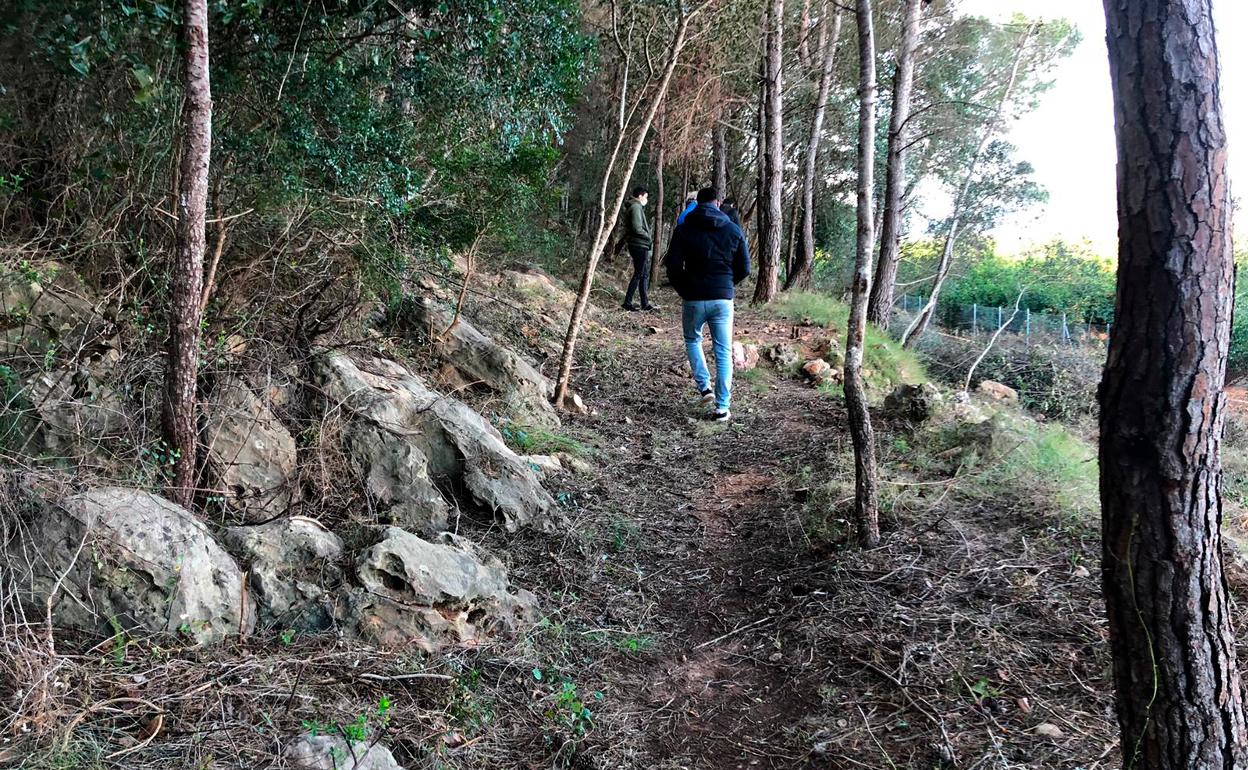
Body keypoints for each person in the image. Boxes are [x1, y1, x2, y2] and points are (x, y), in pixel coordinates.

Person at [664, 186, 751, 422]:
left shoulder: (683, 229)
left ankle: (705, 389)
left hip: (693, 296)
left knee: (693, 339)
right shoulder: (733, 229)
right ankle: (722, 407)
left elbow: (672, 266)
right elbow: (745, 267)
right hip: (722, 298)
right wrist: (726, 286)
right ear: (718, 202)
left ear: (696, 203)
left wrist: (684, 289)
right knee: (723, 351)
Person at [620, 186, 658, 311]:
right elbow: (637, 228)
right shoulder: (636, 207)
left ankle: (644, 303)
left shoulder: (635, 207)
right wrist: (647, 236)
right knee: (639, 274)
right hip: (639, 244)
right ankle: (628, 302)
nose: (646, 199)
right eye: (645, 197)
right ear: (640, 196)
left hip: (640, 244)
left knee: (644, 274)